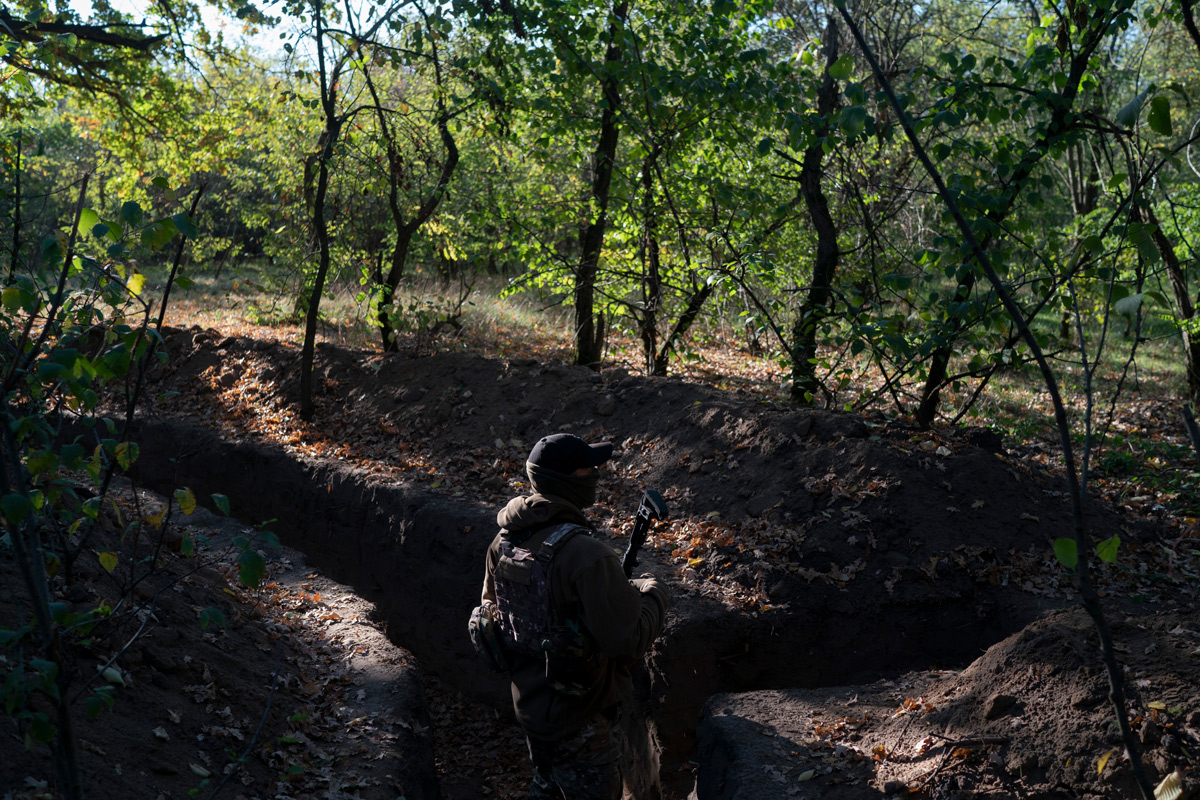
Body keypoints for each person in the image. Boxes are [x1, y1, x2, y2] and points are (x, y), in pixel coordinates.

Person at [478, 433, 669, 799]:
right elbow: (626, 642)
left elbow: (502, 615)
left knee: (547, 787)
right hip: (581, 718)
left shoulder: (502, 542)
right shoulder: (586, 555)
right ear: (568, 480)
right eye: (588, 467)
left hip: (531, 707)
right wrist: (655, 594)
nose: (596, 472)